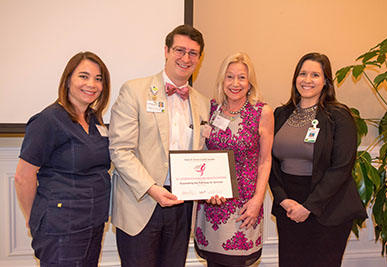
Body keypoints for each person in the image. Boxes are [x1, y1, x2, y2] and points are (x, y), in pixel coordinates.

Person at [108, 24, 209, 267]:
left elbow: (203, 155)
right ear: (166, 50)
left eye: (193, 53)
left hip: (181, 207)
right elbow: (120, 150)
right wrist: (152, 189)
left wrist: (210, 185)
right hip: (141, 202)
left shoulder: (203, 103)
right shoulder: (134, 90)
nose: (186, 58)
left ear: (199, 58)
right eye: (179, 50)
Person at [269, 52, 368, 267]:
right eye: (302, 73)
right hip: (289, 207)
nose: (307, 80)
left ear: (326, 81)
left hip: (328, 208)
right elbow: (269, 163)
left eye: (315, 75)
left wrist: (309, 207)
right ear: (295, 78)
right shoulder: (280, 114)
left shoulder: (339, 116)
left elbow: (342, 167)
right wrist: (283, 199)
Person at [14, 51, 111, 266]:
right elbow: (23, 176)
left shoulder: (94, 120)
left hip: (93, 223)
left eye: (98, 79)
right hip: (61, 228)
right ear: (68, 80)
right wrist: (35, 218)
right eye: (83, 76)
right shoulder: (47, 121)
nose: (92, 84)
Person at [194, 52, 274, 267]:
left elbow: (265, 160)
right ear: (222, 80)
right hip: (212, 205)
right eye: (230, 77)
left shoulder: (262, 112)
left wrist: (258, 200)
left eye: (242, 78)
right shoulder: (210, 109)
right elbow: (202, 154)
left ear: (250, 83)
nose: (235, 83)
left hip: (244, 207)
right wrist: (204, 190)